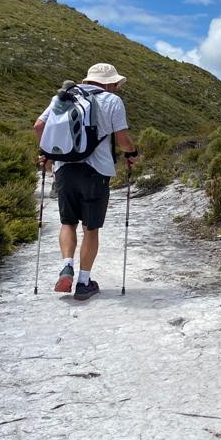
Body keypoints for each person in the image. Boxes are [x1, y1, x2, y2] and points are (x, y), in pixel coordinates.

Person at [34, 63, 138, 301]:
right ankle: (83, 282)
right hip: (96, 171)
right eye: (116, 85)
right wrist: (132, 153)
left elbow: (39, 126)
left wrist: (48, 153)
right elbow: (122, 140)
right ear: (110, 83)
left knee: (68, 222)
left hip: (64, 169)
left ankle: (66, 265)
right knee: (91, 228)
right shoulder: (112, 101)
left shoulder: (63, 96)